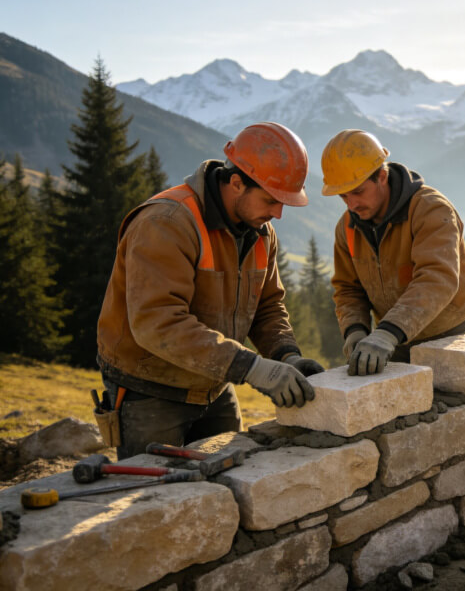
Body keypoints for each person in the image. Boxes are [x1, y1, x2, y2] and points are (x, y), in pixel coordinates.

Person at [97, 122, 324, 459]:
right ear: (236, 182)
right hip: (150, 392)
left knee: (227, 481)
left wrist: (285, 355)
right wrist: (252, 368)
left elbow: (267, 306)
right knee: (153, 500)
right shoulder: (167, 222)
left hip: (214, 383)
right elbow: (157, 324)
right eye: (271, 200)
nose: (278, 213)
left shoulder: (260, 231)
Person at [322, 129, 465, 375]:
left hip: (451, 336)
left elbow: (437, 279)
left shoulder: (430, 209)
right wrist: (355, 329)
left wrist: (387, 332)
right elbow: (348, 289)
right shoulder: (347, 227)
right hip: (394, 342)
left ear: (382, 176)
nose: (351, 204)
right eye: (343, 196)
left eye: (358, 191)